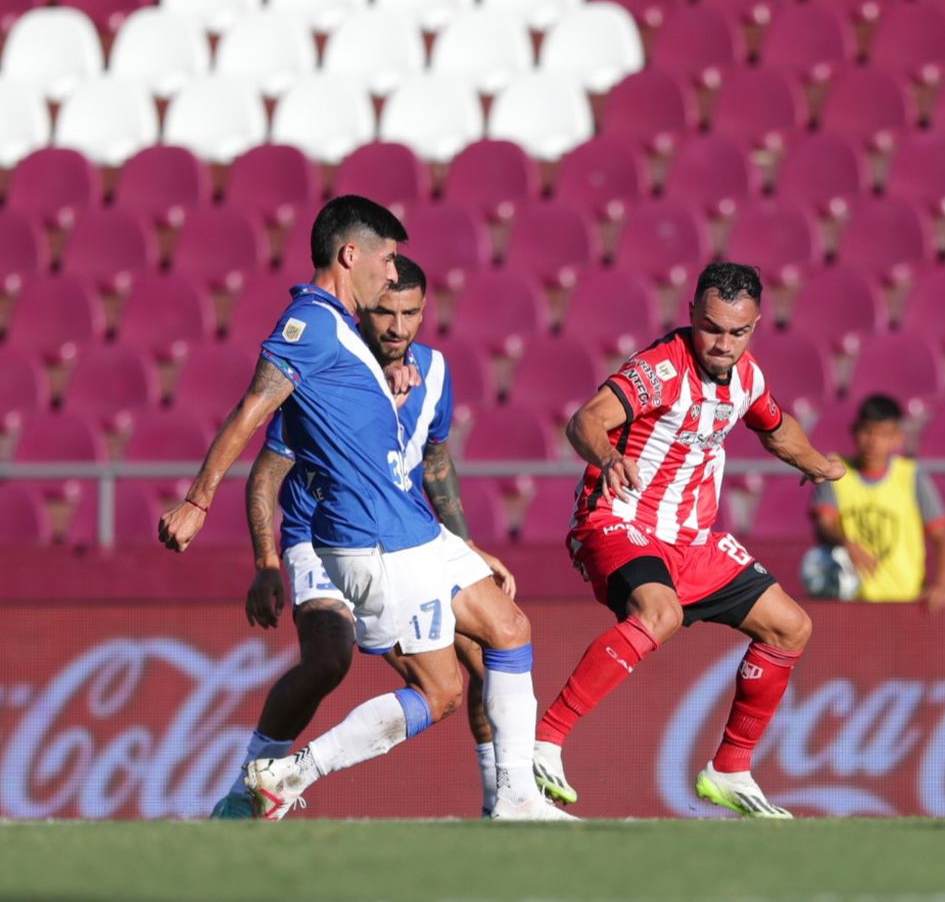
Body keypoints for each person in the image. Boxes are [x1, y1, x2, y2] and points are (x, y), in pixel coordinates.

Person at [159, 195, 571, 822]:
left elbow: (418, 460)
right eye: (386, 258)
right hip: (370, 539)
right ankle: (285, 776)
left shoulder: (354, 338)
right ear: (352, 255)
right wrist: (199, 501)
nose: (391, 272)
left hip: (408, 527)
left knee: (510, 628)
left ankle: (514, 798)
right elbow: (252, 411)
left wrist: (463, 544)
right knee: (436, 691)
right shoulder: (311, 325)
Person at [531, 262, 845, 818]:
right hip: (618, 519)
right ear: (692, 315)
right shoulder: (660, 369)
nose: (723, 343)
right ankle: (545, 741)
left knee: (791, 626)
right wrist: (608, 457)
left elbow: (776, 427)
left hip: (690, 540)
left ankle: (730, 769)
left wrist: (819, 463)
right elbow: (586, 419)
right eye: (711, 327)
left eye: (737, 331)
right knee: (661, 613)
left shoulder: (747, 377)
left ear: (756, 325)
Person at [211, 256, 503, 819]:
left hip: (400, 540)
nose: (397, 327)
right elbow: (267, 474)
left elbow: (436, 465)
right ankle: (245, 793)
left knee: (488, 657)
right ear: (365, 309)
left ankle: (502, 806)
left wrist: (466, 549)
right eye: (385, 312)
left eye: (410, 313)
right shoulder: (329, 368)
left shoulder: (434, 374)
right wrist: (266, 560)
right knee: (329, 658)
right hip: (318, 537)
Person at [809, 394, 945, 612]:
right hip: (851, 604)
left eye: (883, 434)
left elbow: (942, 537)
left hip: (906, 603)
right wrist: (845, 544)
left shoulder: (911, 476)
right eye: (868, 431)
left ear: (898, 438)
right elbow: (823, 524)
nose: (874, 441)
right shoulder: (835, 471)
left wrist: (942, 586)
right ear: (855, 431)